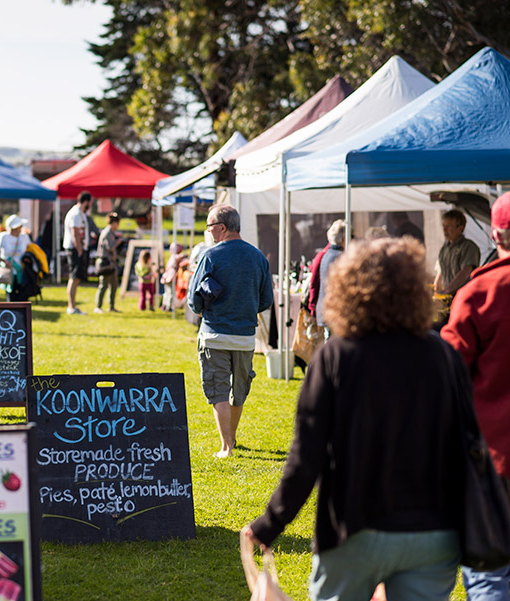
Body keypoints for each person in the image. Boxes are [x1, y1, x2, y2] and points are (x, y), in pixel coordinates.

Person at [244, 237, 467, 601]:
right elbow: (469, 443)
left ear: (348, 290)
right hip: (433, 529)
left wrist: (270, 525)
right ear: (416, 289)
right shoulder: (444, 356)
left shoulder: (336, 357)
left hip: (355, 526)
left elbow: (307, 458)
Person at [442, 188, 510, 601]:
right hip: (498, 454)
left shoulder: (480, 292)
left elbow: (448, 372)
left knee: (487, 569)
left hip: (494, 454)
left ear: (496, 235)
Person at [189, 204, 272, 458]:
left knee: (218, 391)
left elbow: (194, 300)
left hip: (214, 334)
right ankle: (232, 439)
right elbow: (266, 300)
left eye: (210, 226)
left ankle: (226, 447)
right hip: (246, 337)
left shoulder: (211, 256)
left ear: (222, 228)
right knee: (239, 392)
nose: (209, 231)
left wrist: (207, 309)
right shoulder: (258, 256)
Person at [434, 208, 480, 296]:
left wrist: (447, 290)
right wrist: (436, 292)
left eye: (449, 226)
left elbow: (465, 272)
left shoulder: (468, 247)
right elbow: (440, 273)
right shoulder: (444, 249)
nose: (444, 229)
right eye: (444, 226)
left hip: (464, 298)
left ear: (460, 228)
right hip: (448, 300)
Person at [0, 214, 31, 301]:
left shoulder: (24, 237)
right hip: (9, 271)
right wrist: (4, 261)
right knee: (11, 296)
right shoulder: (3, 237)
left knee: (23, 295)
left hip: (22, 270)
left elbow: (30, 250)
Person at [64, 191, 93, 314]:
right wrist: (80, 250)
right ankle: (71, 307)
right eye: (90, 202)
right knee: (74, 277)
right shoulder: (75, 213)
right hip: (75, 249)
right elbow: (74, 232)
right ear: (86, 201)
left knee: (77, 278)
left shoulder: (80, 213)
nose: (91, 204)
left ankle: (73, 305)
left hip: (79, 249)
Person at [316, 220, 346, 330]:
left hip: (326, 308)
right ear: (344, 237)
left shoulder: (327, 254)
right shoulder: (340, 257)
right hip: (334, 310)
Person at [94, 212, 121, 313]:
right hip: (105, 262)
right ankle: (98, 306)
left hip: (111, 263)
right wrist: (117, 243)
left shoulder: (111, 232)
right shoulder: (107, 233)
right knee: (103, 285)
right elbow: (109, 247)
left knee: (114, 285)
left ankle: (111, 306)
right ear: (114, 223)